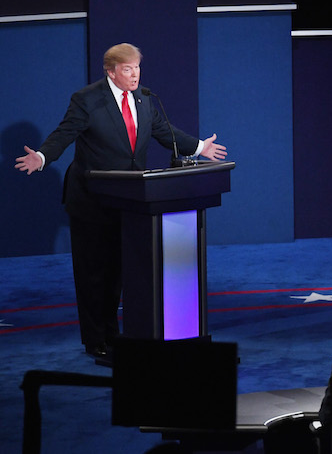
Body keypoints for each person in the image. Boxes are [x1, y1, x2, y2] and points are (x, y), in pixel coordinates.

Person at [14, 43, 227, 360]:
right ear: (110, 71)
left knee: (116, 273)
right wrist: (43, 157)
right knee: (92, 273)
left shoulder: (143, 100)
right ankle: (95, 339)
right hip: (91, 200)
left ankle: (113, 334)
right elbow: (65, 133)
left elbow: (163, 131)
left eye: (137, 68)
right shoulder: (87, 99)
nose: (134, 74)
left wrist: (198, 147)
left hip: (128, 200)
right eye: (127, 69)